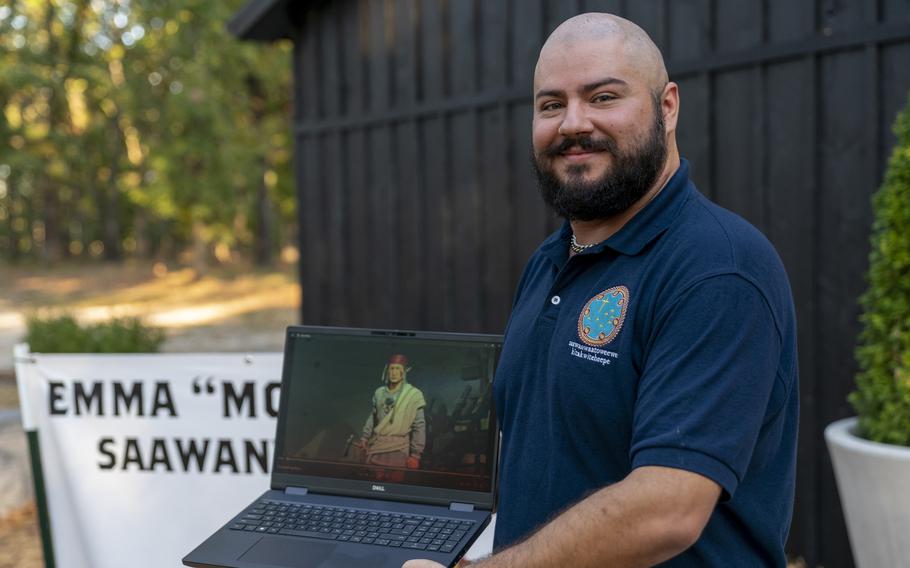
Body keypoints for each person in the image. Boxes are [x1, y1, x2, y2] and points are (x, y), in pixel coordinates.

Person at [406, 12, 798, 568]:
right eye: (550, 104)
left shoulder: (719, 269)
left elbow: (667, 510)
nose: (572, 123)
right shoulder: (551, 260)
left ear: (667, 107)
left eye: (602, 96)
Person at [359, 354, 426, 470]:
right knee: (373, 478)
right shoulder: (379, 393)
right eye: (392, 368)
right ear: (387, 370)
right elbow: (373, 416)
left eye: (398, 369)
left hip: (399, 448)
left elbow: (419, 426)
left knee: (394, 482)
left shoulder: (414, 395)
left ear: (404, 371)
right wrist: (364, 438)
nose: (394, 372)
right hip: (377, 445)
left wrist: (415, 455)